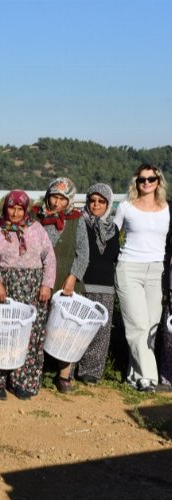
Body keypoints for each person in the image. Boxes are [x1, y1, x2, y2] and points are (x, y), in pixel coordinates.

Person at [0, 190, 56, 401]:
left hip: (31, 287)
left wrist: (47, 285)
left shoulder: (36, 228)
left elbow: (49, 257)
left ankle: (23, 382)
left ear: (26, 209)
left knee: (28, 335)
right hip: (3, 287)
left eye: (20, 208)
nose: (15, 212)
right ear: (5, 207)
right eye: (12, 207)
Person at [115, 164, 171, 393]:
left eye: (151, 179)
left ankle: (134, 376)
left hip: (158, 271)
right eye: (142, 180)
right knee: (137, 325)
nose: (146, 183)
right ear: (136, 183)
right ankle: (150, 377)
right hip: (129, 268)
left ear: (158, 182)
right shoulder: (126, 207)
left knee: (150, 328)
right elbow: (111, 238)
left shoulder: (168, 208)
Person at [31, 177, 83, 393]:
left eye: (62, 198)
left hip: (64, 282)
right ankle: (35, 370)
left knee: (65, 330)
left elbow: (83, 254)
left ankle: (64, 375)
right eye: (54, 196)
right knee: (37, 327)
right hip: (37, 281)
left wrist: (72, 277)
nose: (57, 202)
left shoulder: (76, 220)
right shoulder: (35, 216)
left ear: (69, 200)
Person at [70, 184, 120, 385]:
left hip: (105, 284)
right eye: (92, 200)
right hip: (83, 283)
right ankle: (69, 368)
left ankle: (91, 372)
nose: (96, 205)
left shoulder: (113, 228)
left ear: (108, 204)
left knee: (101, 331)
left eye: (101, 201)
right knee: (76, 328)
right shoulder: (78, 223)